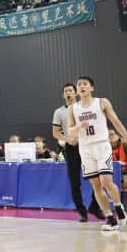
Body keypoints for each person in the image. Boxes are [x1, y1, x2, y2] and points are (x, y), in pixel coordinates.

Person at [68, 76, 127, 231]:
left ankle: (119, 208)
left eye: (85, 84)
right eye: (79, 84)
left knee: (106, 181)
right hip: (85, 148)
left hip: (102, 145)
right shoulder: (73, 108)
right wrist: (78, 127)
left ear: (91, 88)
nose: (82, 86)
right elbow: (70, 130)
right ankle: (110, 218)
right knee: (96, 185)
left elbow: (116, 122)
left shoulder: (102, 102)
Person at [52, 82, 103, 222]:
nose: (68, 93)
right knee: (74, 182)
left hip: (88, 146)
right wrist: (68, 140)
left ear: (75, 93)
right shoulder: (59, 112)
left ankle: (94, 207)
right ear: (63, 95)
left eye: (70, 90)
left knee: (99, 178)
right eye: (65, 91)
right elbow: (55, 133)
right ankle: (82, 212)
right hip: (72, 148)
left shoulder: (84, 107)